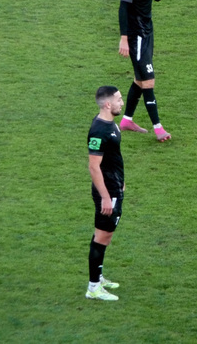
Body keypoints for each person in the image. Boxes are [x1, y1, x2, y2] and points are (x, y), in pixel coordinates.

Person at [118, 0, 171, 142]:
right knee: (148, 81)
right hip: (136, 36)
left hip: (148, 33)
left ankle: (126, 121)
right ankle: (158, 129)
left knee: (140, 80)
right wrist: (124, 39)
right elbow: (123, 8)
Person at [85, 86, 125, 301]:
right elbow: (93, 167)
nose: (122, 103)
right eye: (118, 99)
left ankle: (98, 278)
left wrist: (121, 181)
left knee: (104, 236)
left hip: (114, 187)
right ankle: (93, 287)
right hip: (107, 191)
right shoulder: (99, 131)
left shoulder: (111, 124)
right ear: (108, 104)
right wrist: (106, 197)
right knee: (102, 237)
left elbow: (113, 157)